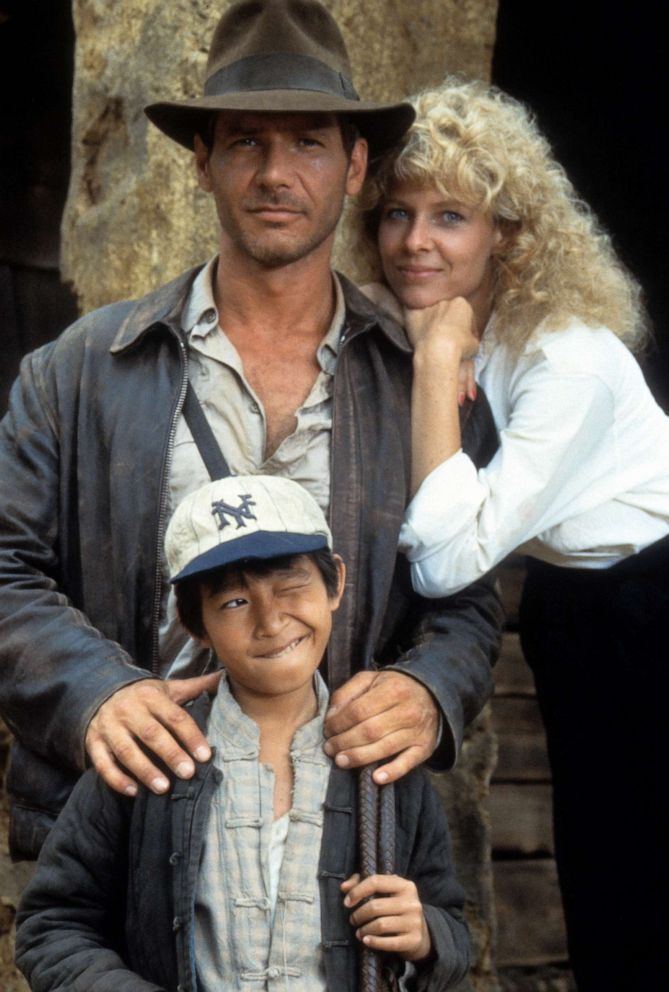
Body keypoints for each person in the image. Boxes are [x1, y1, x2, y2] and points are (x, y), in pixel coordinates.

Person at [0, 3, 502, 862]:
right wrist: (99, 697)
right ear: (202, 163)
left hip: (337, 841)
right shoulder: (77, 368)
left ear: (353, 168)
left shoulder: (417, 381)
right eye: (245, 142)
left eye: (308, 142)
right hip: (129, 827)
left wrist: (426, 690)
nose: (276, 173)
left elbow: (464, 598)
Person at [360, 77, 669, 991]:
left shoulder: (564, 358)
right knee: (604, 888)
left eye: (450, 215)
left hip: (656, 606)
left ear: (506, 231)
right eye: (395, 213)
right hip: (584, 612)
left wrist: (434, 368)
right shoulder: (467, 329)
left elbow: (451, 554)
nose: (416, 242)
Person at [15, 474, 471, 992]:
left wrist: (425, 936)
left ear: (335, 583)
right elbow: (52, 928)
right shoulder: (154, 755)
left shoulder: (384, 757)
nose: (271, 621)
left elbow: (451, 929)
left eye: (292, 584)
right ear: (194, 623)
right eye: (234, 601)